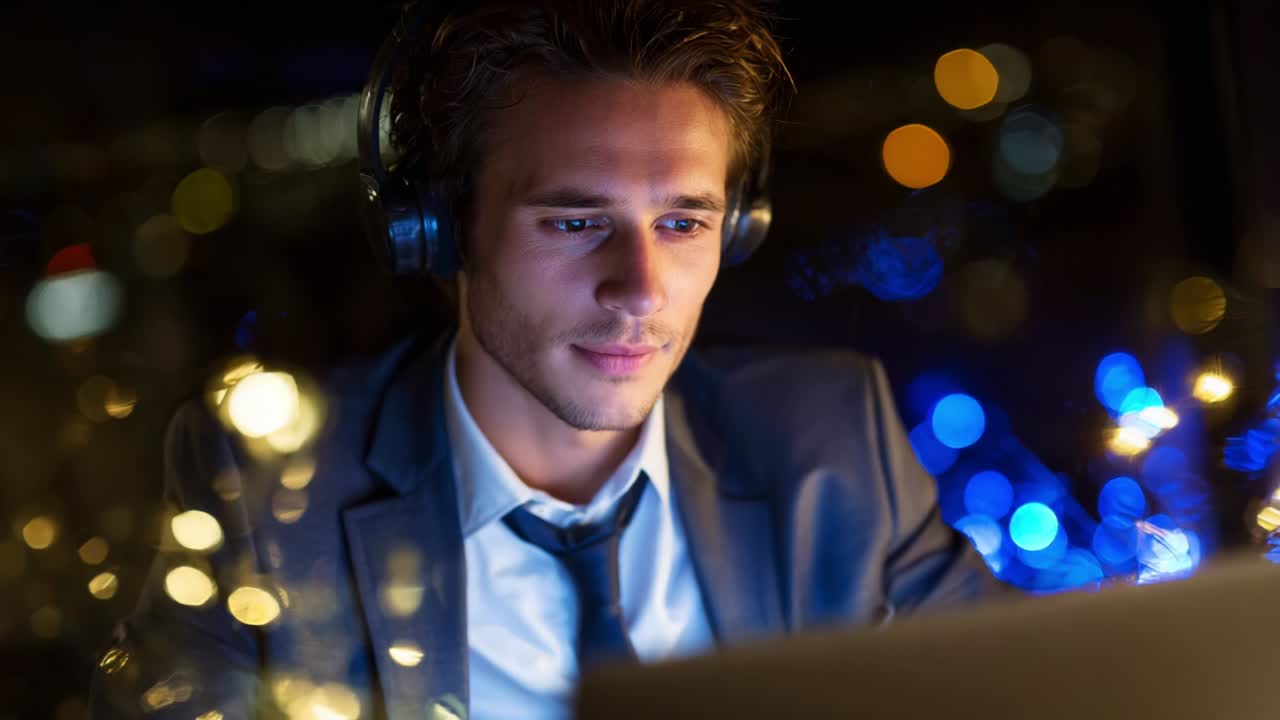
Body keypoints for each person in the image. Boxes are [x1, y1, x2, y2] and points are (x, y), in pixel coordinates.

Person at [91, 1, 1002, 718]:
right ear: (441, 233)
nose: (640, 289)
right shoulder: (271, 492)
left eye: (683, 222)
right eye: (574, 221)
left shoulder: (834, 437)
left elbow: (1027, 689)